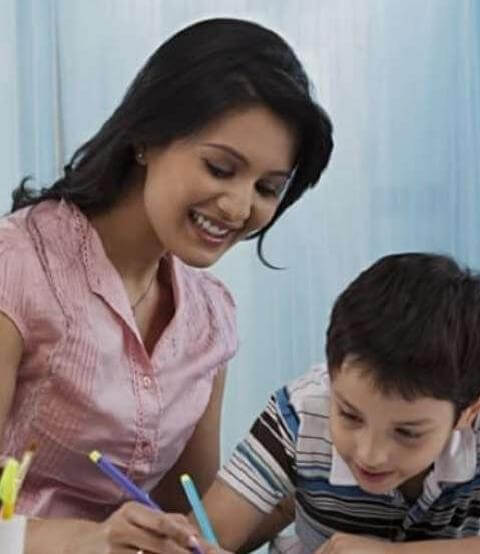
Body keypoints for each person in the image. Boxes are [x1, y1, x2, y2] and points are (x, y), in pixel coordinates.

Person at [0, 17, 333, 554]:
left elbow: (189, 517)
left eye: (268, 188)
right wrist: (90, 540)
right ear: (147, 138)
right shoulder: (17, 268)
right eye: (220, 168)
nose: (240, 208)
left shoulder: (210, 318)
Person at [197, 253, 480, 554]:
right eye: (349, 415)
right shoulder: (298, 415)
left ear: (469, 412)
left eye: (407, 433)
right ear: (331, 377)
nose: (370, 455)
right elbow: (205, 535)